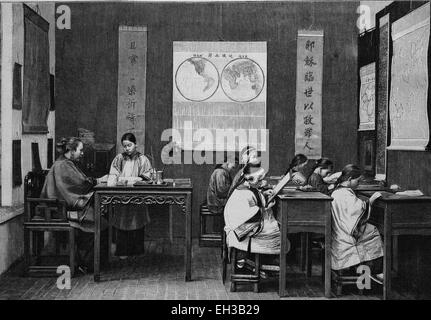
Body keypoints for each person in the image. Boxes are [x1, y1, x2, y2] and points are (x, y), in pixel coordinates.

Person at [40, 137, 108, 271]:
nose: (82, 153)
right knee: (97, 222)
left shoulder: (66, 162)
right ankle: (87, 264)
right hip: (59, 209)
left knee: (101, 219)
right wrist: (99, 180)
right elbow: (80, 184)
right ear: (71, 150)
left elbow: (80, 182)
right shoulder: (63, 165)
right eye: (80, 150)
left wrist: (95, 181)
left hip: (62, 205)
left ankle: (87, 262)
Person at [224, 163, 290, 263]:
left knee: (278, 227)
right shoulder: (243, 192)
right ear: (250, 179)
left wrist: (263, 194)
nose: (261, 182)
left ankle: (263, 261)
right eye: (259, 180)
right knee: (277, 231)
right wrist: (265, 208)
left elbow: (254, 201)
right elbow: (247, 215)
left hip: (249, 223)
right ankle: (265, 261)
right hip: (241, 229)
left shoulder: (248, 187)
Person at [330, 164, 384, 281]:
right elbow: (359, 210)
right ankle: (374, 272)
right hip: (346, 234)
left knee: (370, 229)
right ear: (349, 179)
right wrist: (371, 201)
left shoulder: (338, 190)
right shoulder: (345, 194)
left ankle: (365, 270)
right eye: (358, 181)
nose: (358, 184)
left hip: (339, 230)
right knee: (374, 232)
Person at [108, 132, 153, 258]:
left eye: (129, 145)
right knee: (122, 221)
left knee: (137, 220)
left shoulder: (142, 159)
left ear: (136, 145)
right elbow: (113, 174)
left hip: (138, 197)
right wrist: (115, 179)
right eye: (124, 146)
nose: (127, 148)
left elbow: (147, 176)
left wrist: (134, 179)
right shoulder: (119, 158)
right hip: (121, 196)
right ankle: (122, 251)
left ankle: (137, 251)